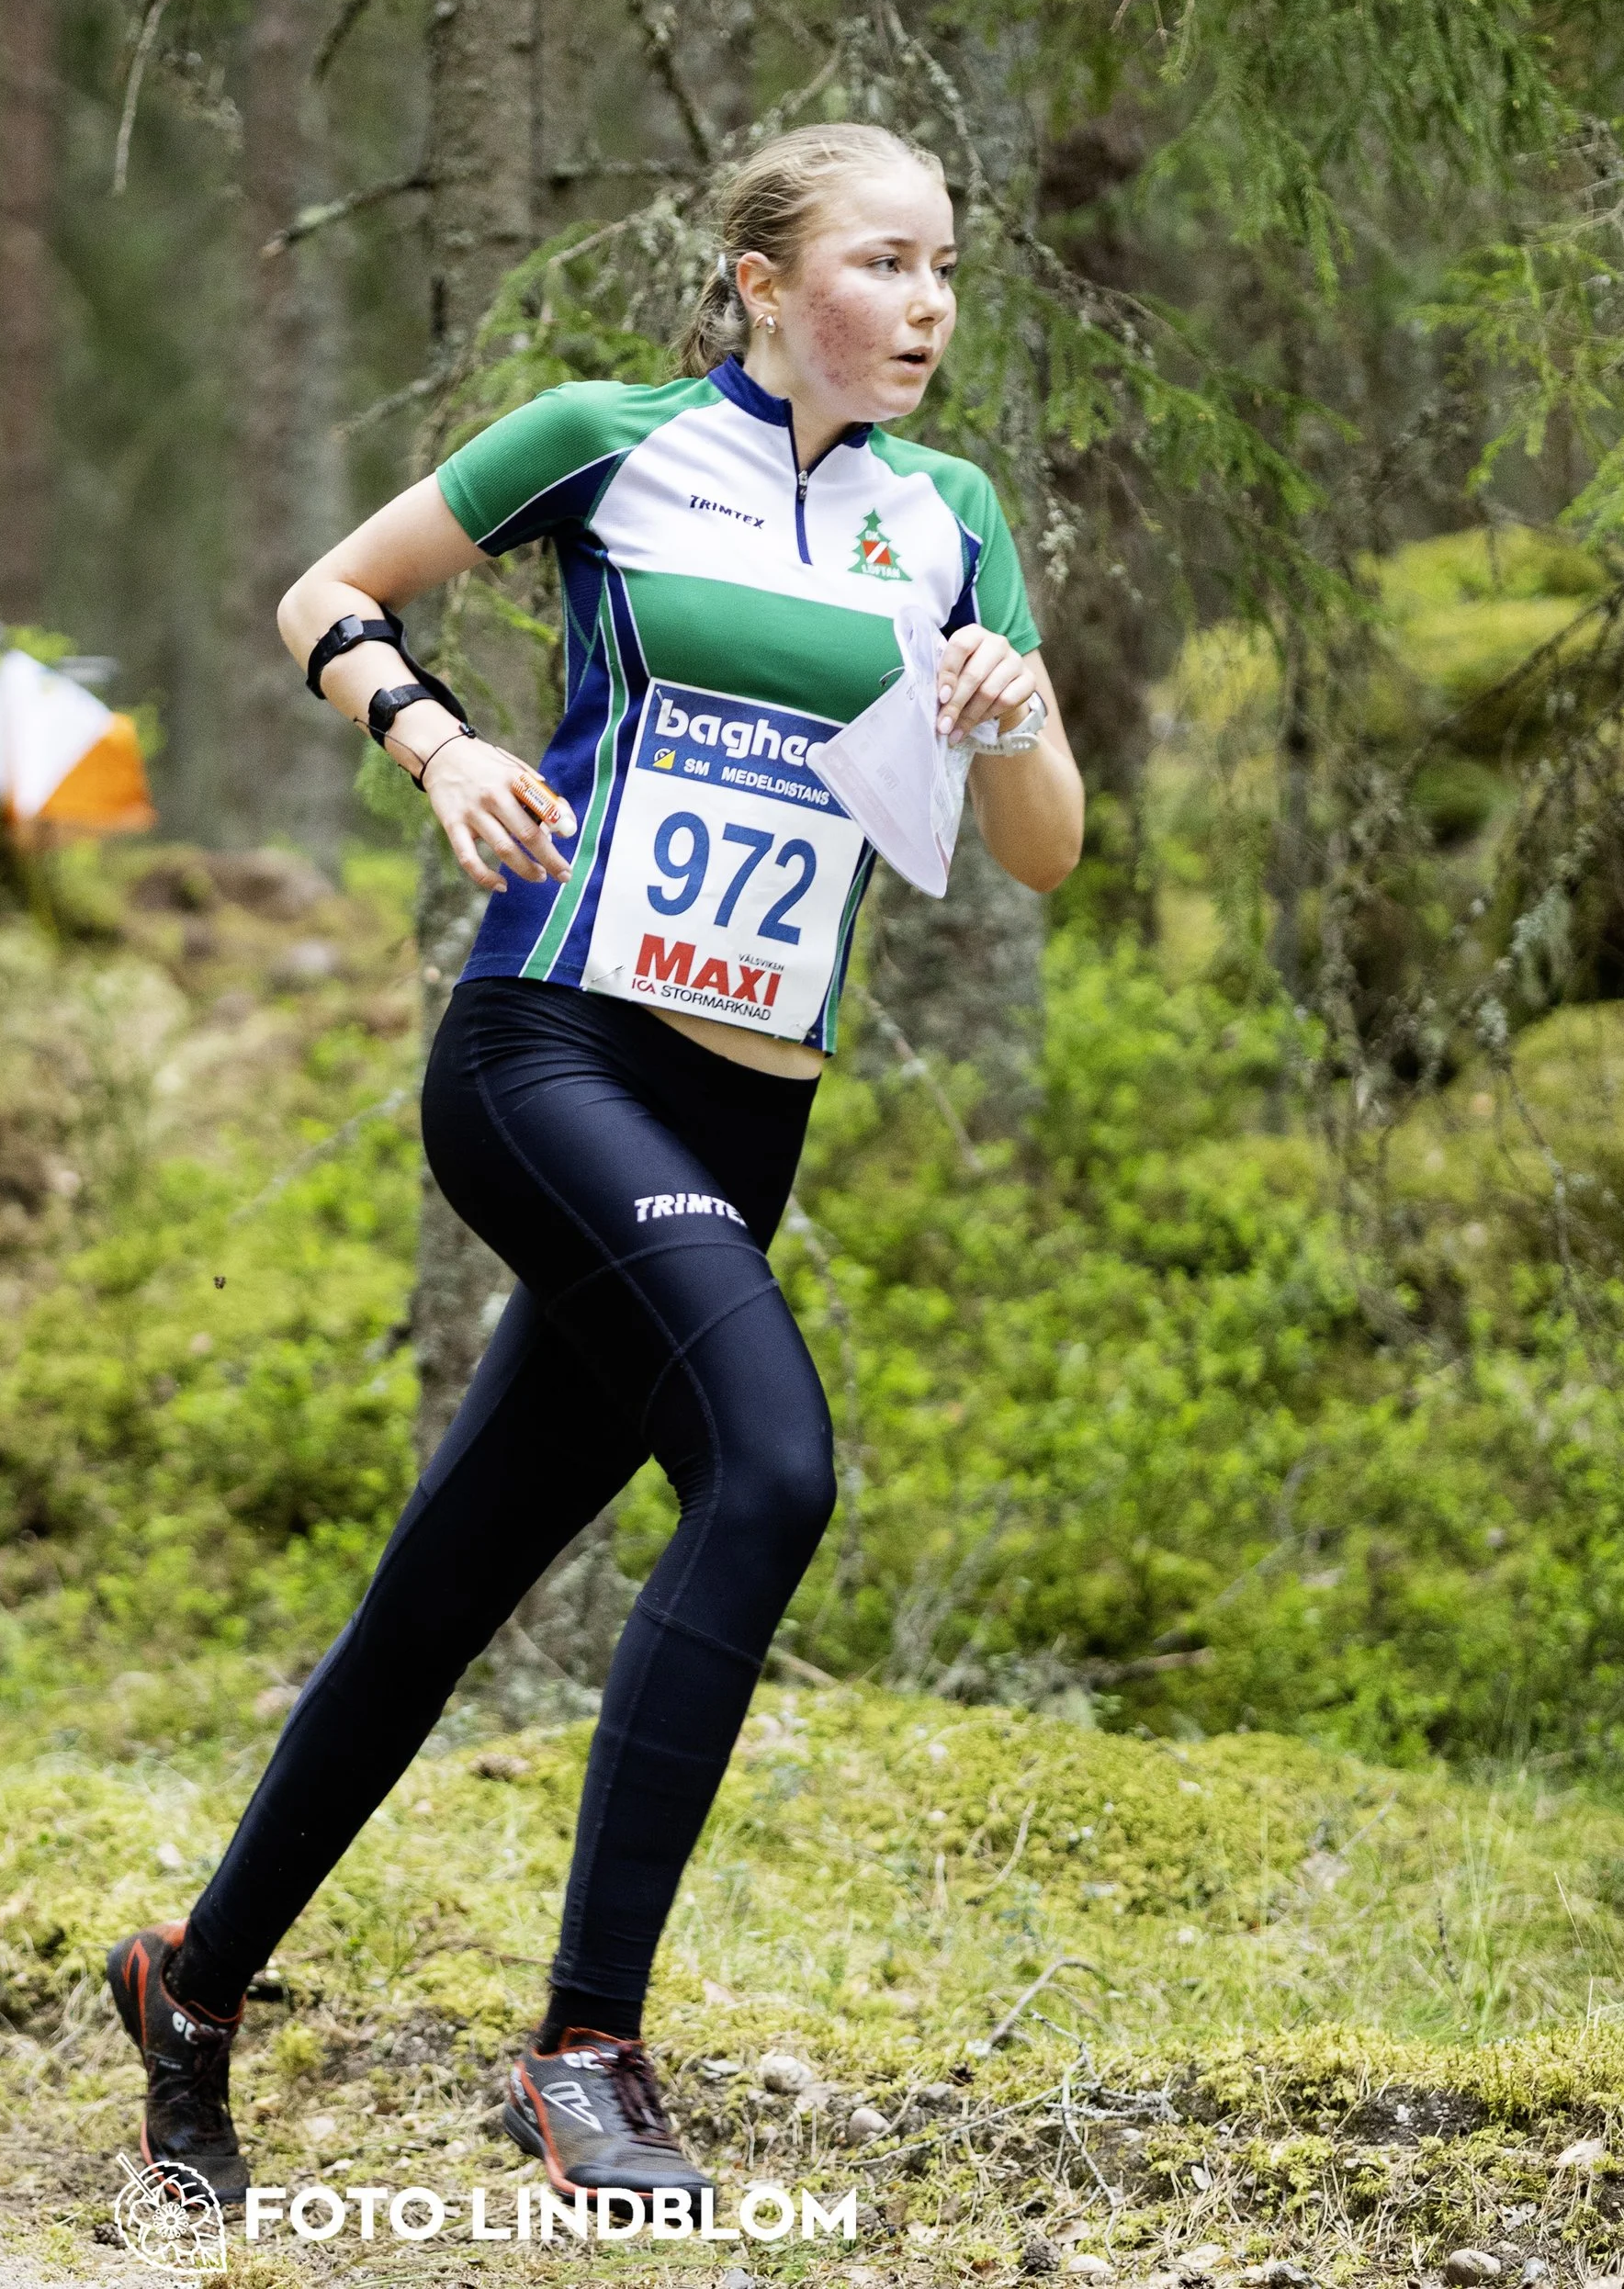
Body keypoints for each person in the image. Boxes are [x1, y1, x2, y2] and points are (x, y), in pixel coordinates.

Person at [106, 122, 1084, 2211]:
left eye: (944, 272)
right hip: (547, 1044)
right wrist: (443, 741)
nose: (922, 306)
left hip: (746, 1109)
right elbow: (327, 593)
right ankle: (584, 2045)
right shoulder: (606, 443)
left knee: (445, 1583)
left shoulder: (948, 519)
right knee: (774, 1461)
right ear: (757, 279)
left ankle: (192, 1980)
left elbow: (1040, 848)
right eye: (882, 262)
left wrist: (1005, 711)